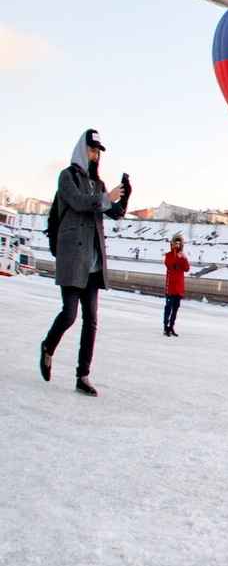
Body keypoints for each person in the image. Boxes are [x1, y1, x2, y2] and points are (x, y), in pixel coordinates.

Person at [41, 129, 129, 396]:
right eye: (92, 150)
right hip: (72, 256)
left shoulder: (99, 184)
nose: (94, 155)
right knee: (69, 314)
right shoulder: (67, 176)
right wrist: (106, 197)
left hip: (93, 261)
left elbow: (114, 213)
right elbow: (78, 202)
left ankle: (83, 376)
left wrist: (124, 196)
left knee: (91, 321)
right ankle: (48, 346)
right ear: (82, 149)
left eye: (97, 152)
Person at [162, 234, 189, 336]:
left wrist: (184, 258)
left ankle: (171, 327)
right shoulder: (169, 255)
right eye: (175, 244)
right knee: (168, 308)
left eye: (179, 244)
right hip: (171, 287)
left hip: (179, 287)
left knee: (175, 308)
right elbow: (168, 264)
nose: (177, 246)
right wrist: (175, 255)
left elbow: (186, 269)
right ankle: (166, 327)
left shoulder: (182, 256)